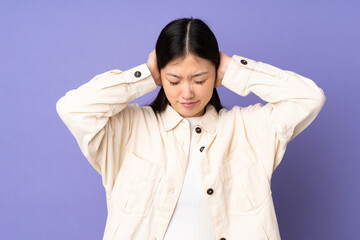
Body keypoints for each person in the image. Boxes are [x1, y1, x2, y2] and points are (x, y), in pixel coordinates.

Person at [56, 17, 326, 240]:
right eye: (174, 80)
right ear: (160, 76)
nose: (187, 93)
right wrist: (144, 74)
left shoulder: (248, 130)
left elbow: (309, 98)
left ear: (216, 75)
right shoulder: (128, 129)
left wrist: (235, 69)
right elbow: (72, 108)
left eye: (199, 79)